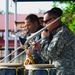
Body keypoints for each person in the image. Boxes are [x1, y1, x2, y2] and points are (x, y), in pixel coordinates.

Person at [32, 7, 75, 75]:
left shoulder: (62, 33)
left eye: (45, 22)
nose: (44, 25)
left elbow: (50, 55)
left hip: (66, 72)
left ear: (52, 20)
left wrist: (44, 39)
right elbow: (46, 57)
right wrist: (39, 48)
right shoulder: (57, 32)